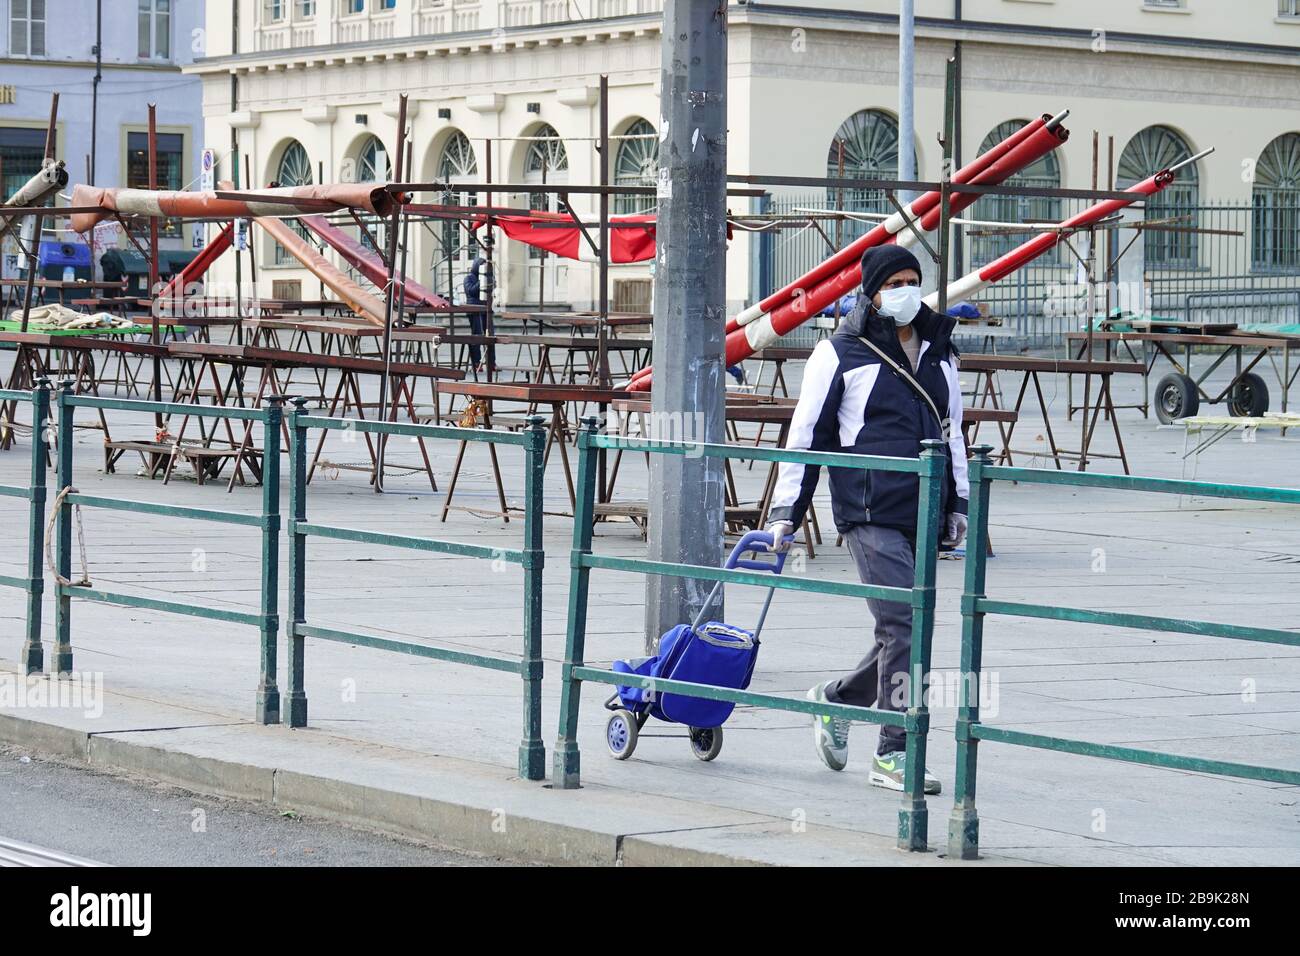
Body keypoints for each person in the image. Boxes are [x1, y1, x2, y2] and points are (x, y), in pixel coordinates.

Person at [765, 244, 968, 795]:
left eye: (912, 280)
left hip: (922, 510)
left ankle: (837, 700)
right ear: (871, 292)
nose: (904, 290)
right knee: (904, 623)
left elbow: (954, 436)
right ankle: (894, 751)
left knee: (909, 626)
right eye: (893, 282)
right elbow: (806, 437)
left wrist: (960, 505)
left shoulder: (941, 351)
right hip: (868, 510)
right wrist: (787, 513)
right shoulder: (840, 354)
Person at [462, 237, 495, 373]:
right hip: (474, 309)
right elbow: (471, 291)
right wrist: (481, 281)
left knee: (490, 335)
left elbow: (490, 291)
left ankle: (491, 362)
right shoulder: (468, 278)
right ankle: (476, 362)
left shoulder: (487, 276)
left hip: (485, 308)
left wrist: (490, 282)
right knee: (477, 335)